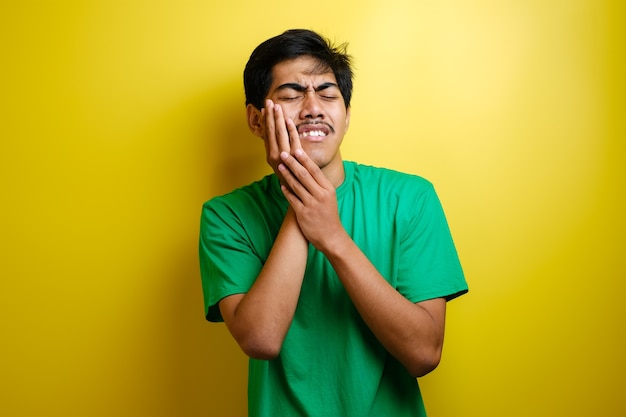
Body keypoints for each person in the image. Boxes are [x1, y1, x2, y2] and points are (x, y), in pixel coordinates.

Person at [199, 29, 468, 417]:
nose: (313, 108)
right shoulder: (227, 216)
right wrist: (301, 197)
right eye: (291, 95)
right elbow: (261, 338)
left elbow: (424, 353)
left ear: (346, 116)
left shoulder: (409, 198)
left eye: (328, 94)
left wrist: (333, 237)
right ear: (257, 120)